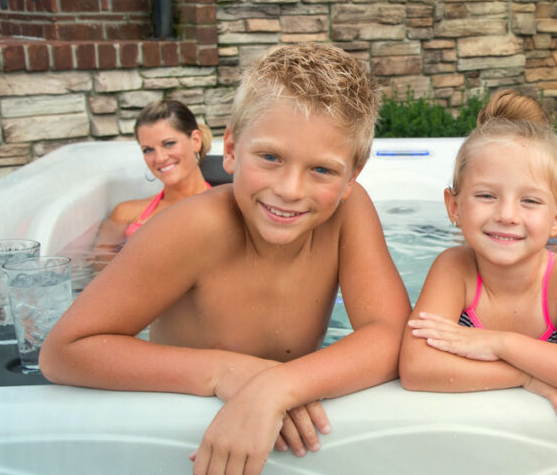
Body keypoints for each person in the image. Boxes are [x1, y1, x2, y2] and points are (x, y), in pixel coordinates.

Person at [40, 44, 411, 475]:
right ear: (231, 150)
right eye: (270, 157)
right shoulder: (194, 227)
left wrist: (278, 385)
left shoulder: (350, 212)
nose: (291, 189)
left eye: (322, 170)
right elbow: (63, 352)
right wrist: (225, 373)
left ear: (352, 177)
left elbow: (391, 335)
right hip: (173, 437)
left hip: (277, 416)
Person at [399, 90, 557, 428]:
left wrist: (498, 343)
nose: (506, 215)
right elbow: (416, 368)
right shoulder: (454, 268)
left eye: (530, 201)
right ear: (454, 206)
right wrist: (523, 376)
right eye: (487, 196)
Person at [90, 100, 213, 270]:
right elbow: (98, 265)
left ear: (195, 141)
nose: (159, 158)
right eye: (148, 150)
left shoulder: (223, 208)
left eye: (169, 144)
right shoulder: (126, 214)